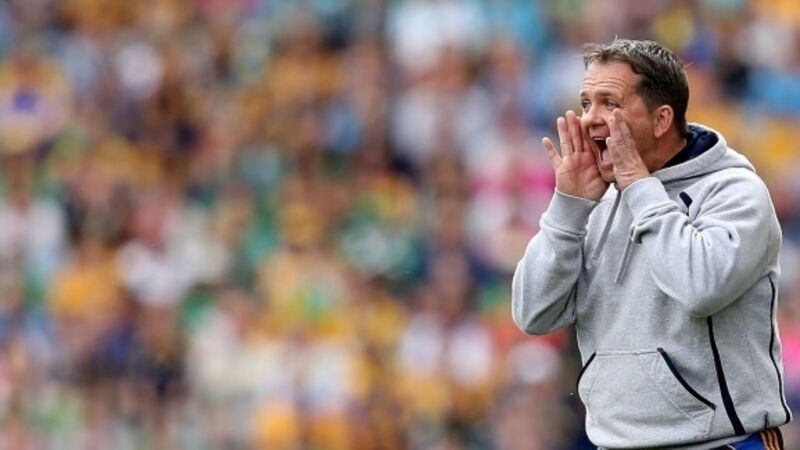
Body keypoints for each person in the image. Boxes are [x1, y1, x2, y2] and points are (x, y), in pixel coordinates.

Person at [511, 39, 791, 449]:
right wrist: (568, 208)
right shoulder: (595, 201)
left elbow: (701, 289)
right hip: (615, 442)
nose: (590, 119)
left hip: (724, 442)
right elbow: (533, 314)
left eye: (610, 103)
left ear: (661, 120)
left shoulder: (735, 192)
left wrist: (640, 187)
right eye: (586, 103)